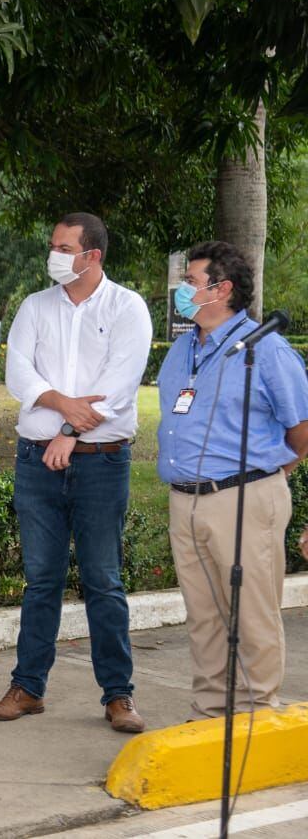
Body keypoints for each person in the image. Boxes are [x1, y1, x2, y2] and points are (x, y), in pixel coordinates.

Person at [0, 212, 152, 733]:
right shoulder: (35, 306)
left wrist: (70, 433)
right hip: (37, 463)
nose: (52, 255)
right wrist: (62, 406)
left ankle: (118, 695)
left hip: (101, 462)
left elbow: (119, 385)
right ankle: (27, 688)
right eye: (53, 245)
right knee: (41, 581)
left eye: (63, 247)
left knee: (103, 580)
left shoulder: (127, 307)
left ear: (92, 255)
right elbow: (18, 374)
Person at [156, 241, 308, 719]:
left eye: (191, 281)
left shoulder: (266, 348)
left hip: (243, 499)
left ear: (221, 290)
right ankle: (210, 714)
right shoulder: (182, 348)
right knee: (204, 616)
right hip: (185, 500)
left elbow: (301, 431)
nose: (182, 290)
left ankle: (255, 716)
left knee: (252, 614)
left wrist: (264, 477)